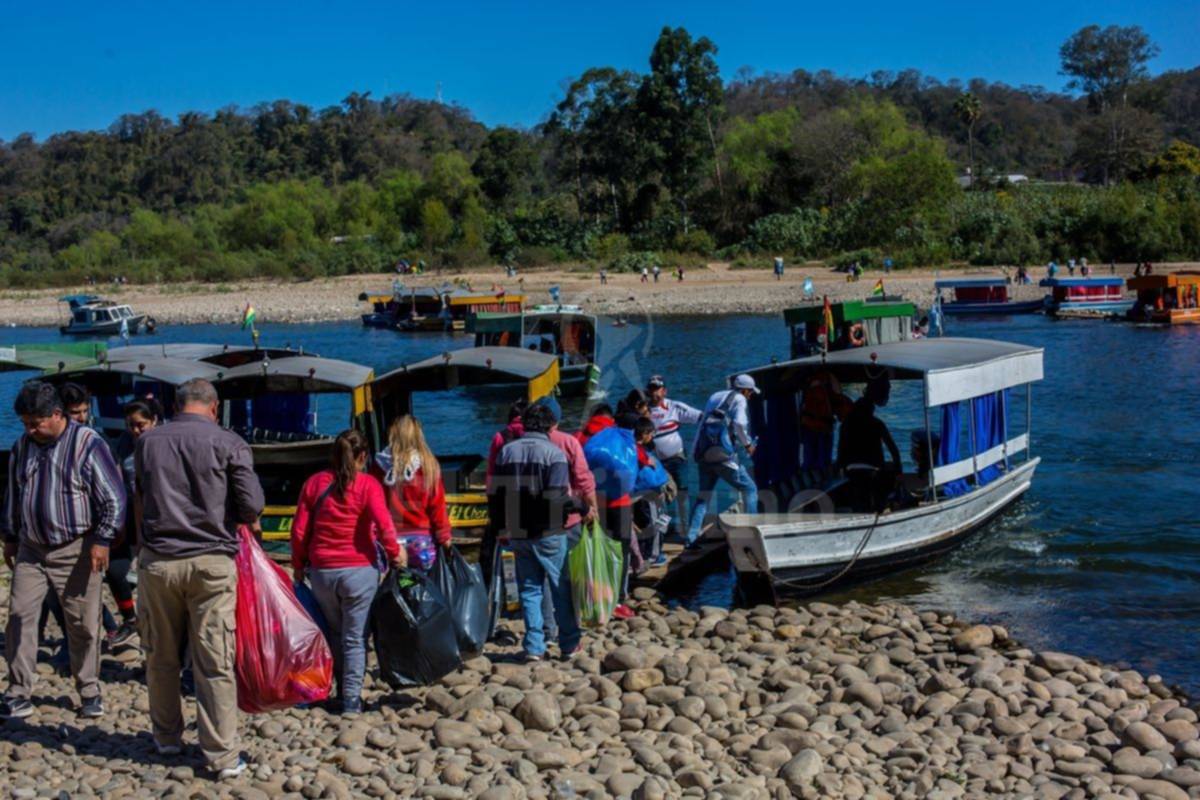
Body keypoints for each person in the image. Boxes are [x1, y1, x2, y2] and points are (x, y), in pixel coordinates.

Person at [135, 378, 263, 778]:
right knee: (214, 660)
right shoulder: (229, 443)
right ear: (214, 407)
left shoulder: (148, 443)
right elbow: (252, 505)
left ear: (176, 406)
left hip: (159, 560)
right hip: (211, 561)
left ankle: (166, 737)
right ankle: (222, 754)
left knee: (160, 655)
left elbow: (139, 494)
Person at [2, 383, 125, 721]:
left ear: (56, 415)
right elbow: (14, 493)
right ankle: (18, 692)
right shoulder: (22, 446)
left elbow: (113, 497)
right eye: (25, 423)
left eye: (35, 423)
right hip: (31, 548)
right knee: (19, 616)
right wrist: (10, 535)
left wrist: (103, 539)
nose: (29, 429)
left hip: (76, 547)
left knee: (82, 623)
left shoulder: (88, 444)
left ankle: (89, 689)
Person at [292, 430, 403, 714]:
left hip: (322, 573)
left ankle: (340, 689)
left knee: (334, 632)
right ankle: (351, 700)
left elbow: (300, 530)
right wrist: (395, 554)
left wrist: (298, 565)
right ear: (363, 456)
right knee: (354, 638)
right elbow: (384, 524)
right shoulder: (368, 485)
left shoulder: (314, 483)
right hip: (359, 571)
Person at [490, 403, 581, 661]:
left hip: (518, 530)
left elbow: (496, 496)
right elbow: (556, 497)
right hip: (549, 531)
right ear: (551, 427)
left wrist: (499, 527)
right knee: (560, 587)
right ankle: (569, 643)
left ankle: (534, 646)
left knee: (529, 589)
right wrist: (580, 506)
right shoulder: (554, 454)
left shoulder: (506, 452)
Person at [106, 398, 165, 648]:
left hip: (160, 519)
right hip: (129, 514)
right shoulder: (122, 445)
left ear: (154, 421)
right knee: (115, 570)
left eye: (141, 425)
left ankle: (160, 629)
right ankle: (130, 620)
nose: (136, 430)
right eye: (131, 425)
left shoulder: (165, 444)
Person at [583, 413, 653, 617]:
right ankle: (617, 601)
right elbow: (644, 466)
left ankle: (595, 596)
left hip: (594, 504)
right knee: (621, 553)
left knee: (598, 550)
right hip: (619, 505)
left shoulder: (589, 439)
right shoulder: (626, 442)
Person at [685, 375, 760, 548]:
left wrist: (695, 452)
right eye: (750, 392)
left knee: (704, 497)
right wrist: (748, 445)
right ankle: (754, 530)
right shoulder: (740, 399)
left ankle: (691, 537)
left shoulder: (715, 396)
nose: (750, 396)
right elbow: (739, 424)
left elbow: (703, 423)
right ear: (745, 390)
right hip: (723, 457)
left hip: (703, 453)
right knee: (750, 489)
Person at [372, 416, 451, 572]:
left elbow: (374, 507)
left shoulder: (379, 465)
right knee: (426, 584)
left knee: (394, 584)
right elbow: (437, 507)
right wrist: (444, 537)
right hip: (422, 540)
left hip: (391, 541)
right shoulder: (428, 465)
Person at [646, 375, 701, 549]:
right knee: (662, 497)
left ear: (664, 391)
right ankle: (666, 531)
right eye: (652, 389)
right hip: (656, 463)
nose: (654, 393)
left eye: (657, 389)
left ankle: (685, 531)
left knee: (682, 494)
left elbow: (700, 417)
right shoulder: (644, 410)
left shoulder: (674, 407)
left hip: (677, 458)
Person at [837, 378, 902, 513]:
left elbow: (840, 453)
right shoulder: (877, 424)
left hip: (851, 472)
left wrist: (841, 468)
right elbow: (894, 451)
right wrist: (899, 471)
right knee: (888, 476)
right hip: (873, 471)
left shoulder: (846, 424)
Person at [482, 400, 526, 585]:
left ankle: (509, 589)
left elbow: (491, 474)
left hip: (505, 501)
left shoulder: (500, 437)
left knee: (506, 549)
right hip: (529, 500)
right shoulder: (535, 435)